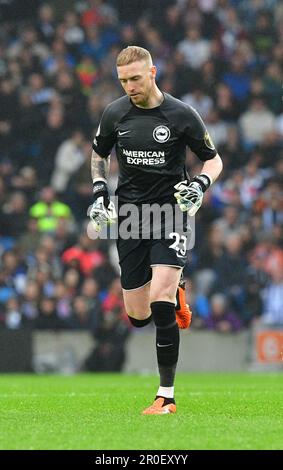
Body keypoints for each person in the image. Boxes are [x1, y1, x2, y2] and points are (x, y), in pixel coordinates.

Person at [89, 46, 223, 415]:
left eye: (134, 78)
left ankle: (166, 396)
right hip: (131, 217)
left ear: (153, 72)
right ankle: (175, 293)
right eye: (123, 80)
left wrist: (199, 185)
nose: (129, 86)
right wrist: (100, 191)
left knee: (160, 300)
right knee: (137, 315)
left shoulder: (181, 115)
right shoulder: (115, 113)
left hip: (171, 214)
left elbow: (213, 159)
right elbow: (99, 153)